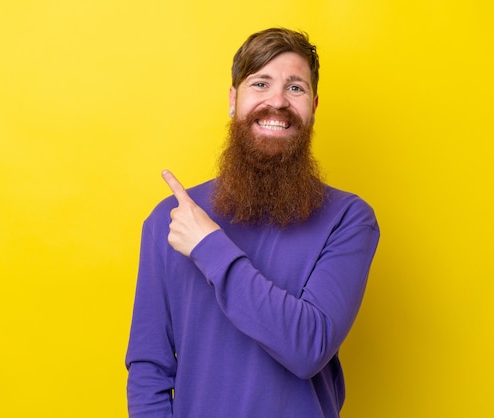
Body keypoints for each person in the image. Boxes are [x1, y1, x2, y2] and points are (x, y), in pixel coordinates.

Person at [125, 27, 380, 418]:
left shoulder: (349, 219)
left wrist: (210, 246)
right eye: (260, 83)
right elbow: (149, 369)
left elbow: (308, 347)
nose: (277, 101)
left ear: (313, 105)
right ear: (233, 100)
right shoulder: (172, 220)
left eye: (295, 88)